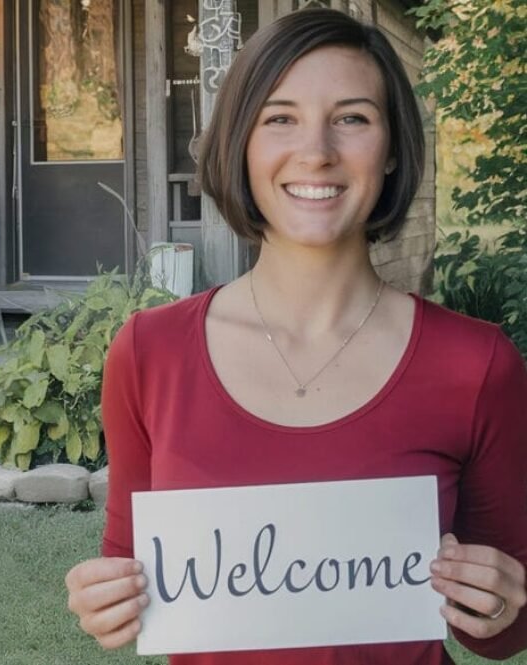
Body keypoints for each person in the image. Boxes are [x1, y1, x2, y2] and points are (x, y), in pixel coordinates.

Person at [64, 8, 527, 664]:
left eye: (353, 118)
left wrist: (503, 603)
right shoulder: (149, 354)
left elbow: (504, 630)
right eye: (280, 117)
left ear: (392, 147)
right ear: (242, 144)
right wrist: (103, 598)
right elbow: (130, 570)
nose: (316, 151)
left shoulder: (477, 365)